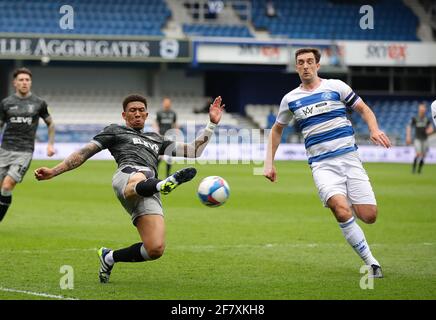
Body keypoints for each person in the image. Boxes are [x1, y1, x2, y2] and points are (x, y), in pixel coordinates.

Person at [34, 94, 225, 283]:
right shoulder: (115, 131)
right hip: (126, 176)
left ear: (147, 115)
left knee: (155, 248)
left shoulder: (156, 139)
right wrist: (53, 171)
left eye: (141, 110)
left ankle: (109, 257)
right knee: (142, 175)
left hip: (148, 189)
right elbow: (83, 153)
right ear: (124, 115)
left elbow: (193, 151)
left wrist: (211, 124)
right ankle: (163, 184)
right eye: (132, 111)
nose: (137, 114)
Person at [264, 48, 391, 278]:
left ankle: (344, 201)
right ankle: (371, 263)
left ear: (318, 65)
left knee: (370, 216)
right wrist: (268, 163)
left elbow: (362, 108)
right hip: (322, 166)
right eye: (300, 62)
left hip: (350, 160)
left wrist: (374, 128)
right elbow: (277, 130)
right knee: (340, 210)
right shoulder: (290, 99)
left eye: (310, 61)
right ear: (296, 67)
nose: (305, 66)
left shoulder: (336, 86)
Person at [0, 67, 55, 222]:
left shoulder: (39, 103)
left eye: (27, 80)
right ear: (15, 83)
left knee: (7, 185)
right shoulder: (6, 103)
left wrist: (50, 144)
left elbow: (51, 123)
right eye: (21, 80)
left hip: (24, 151)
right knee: (1, 189)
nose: (24, 82)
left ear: (30, 83)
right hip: (4, 150)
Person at [406, 103, 434, 174]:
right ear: (419, 109)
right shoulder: (415, 118)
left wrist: (429, 131)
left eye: (423, 108)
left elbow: (431, 128)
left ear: (425, 110)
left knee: (423, 155)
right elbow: (409, 127)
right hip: (417, 139)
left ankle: (419, 170)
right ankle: (413, 169)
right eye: (421, 108)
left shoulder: (427, 119)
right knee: (418, 154)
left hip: (425, 139)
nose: (422, 110)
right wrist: (408, 136)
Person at [155, 97, 178, 177]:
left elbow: (174, 124)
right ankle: (155, 173)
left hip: (170, 136)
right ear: (163, 103)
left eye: (168, 102)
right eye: (165, 102)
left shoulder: (173, 113)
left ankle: (168, 175)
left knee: (169, 156)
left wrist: (176, 131)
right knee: (159, 157)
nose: (167, 104)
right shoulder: (159, 113)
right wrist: (157, 132)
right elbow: (156, 123)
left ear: (170, 104)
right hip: (161, 135)